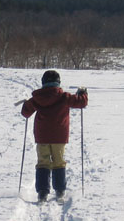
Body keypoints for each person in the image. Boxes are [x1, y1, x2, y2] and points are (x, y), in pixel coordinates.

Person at [21, 70, 88, 202]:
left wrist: (26, 104)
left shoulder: (37, 98)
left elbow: (25, 113)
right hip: (59, 136)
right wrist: (83, 94)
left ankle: (42, 192)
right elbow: (81, 103)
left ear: (43, 83)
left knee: (43, 162)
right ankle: (60, 191)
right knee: (58, 162)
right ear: (58, 82)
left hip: (42, 136)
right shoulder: (64, 97)